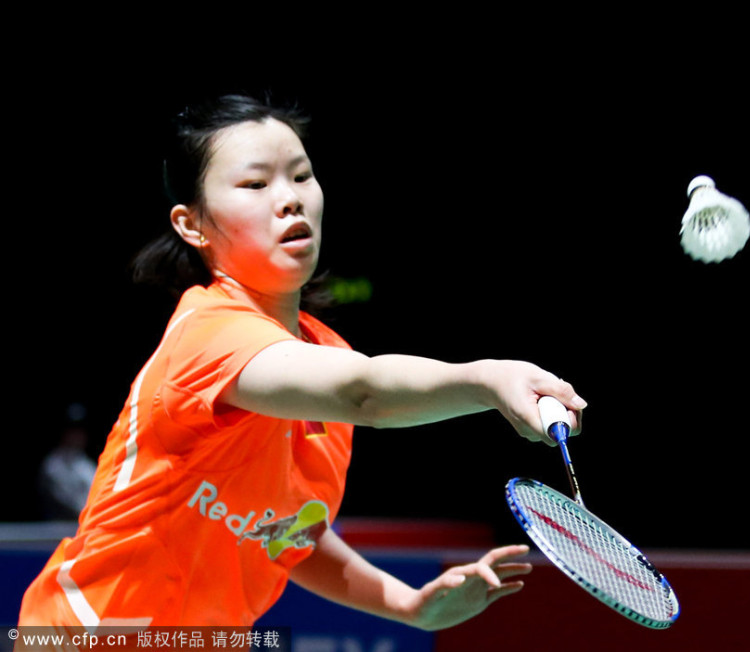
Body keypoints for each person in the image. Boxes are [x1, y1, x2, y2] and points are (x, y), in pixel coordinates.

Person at [18, 94, 584, 631]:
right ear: (191, 225)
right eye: (255, 183)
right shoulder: (208, 335)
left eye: (301, 175)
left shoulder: (326, 355)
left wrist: (411, 606)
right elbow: (364, 393)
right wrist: (486, 379)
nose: (288, 197)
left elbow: (285, 532)